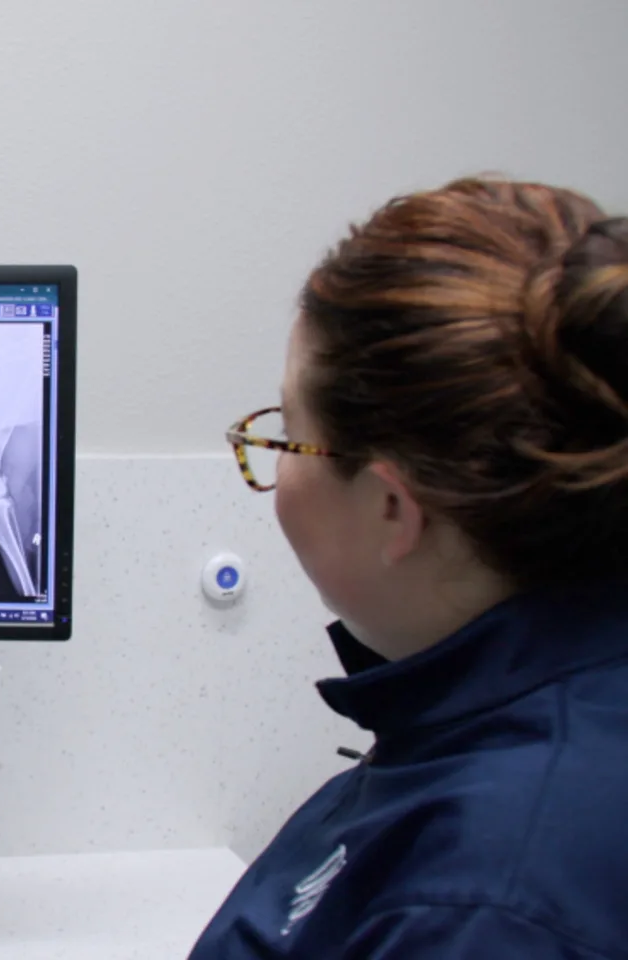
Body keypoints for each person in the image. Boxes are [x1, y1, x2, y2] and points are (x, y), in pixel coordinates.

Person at [199, 177, 628, 957]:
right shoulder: (484, 713)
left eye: (286, 434)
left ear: (394, 508)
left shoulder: (488, 904)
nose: (272, 469)